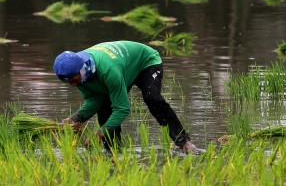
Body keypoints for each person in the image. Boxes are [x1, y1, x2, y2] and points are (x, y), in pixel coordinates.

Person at [53, 40, 200, 154]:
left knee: (152, 98)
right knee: (105, 107)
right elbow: (94, 100)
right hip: (123, 67)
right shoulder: (80, 75)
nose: (73, 85)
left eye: (74, 80)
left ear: (83, 68)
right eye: (69, 82)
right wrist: (75, 119)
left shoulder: (109, 71)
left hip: (145, 62)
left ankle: (184, 143)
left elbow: (122, 109)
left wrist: (100, 133)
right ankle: (113, 152)